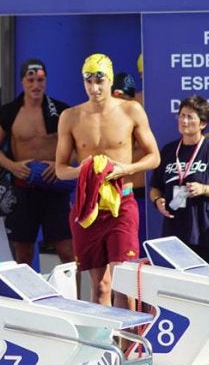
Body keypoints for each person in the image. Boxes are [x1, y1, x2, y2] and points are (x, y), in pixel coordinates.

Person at [55, 54, 160, 308]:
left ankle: (128, 347)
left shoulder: (130, 110)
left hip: (122, 204)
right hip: (88, 208)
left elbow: (154, 157)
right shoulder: (70, 117)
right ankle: (102, 347)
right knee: (100, 286)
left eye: (99, 81)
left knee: (123, 284)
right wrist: (82, 170)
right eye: (88, 81)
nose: (94, 88)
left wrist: (127, 167)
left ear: (110, 80)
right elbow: (60, 170)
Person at [0, 58, 75, 267]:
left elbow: (77, 148)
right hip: (24, 189)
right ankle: (25, 298)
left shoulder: (61, 111)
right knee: (24, 252)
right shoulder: (9, 112)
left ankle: (75, 297)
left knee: (67, 249)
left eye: (41, 80)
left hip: (54, 188)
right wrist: (13, 166)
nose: (36, 85)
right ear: (22, 82)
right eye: (31, 80)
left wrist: (60, 164)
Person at [149, 95, 209, 266]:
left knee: (201, 285)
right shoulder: (168, 150)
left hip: (204, 232)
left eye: (190, 117)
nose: (184, 121)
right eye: (181, 115)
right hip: (174, 232)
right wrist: (158, 200)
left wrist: (204, 189)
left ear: (202, 123)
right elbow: (155, 187)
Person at [112, 72, 148, 249]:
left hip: (136, 195)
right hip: (107, 196)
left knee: (136, 253)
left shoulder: (139, 120)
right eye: (119, 97)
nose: (123, 103)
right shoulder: (97, 121)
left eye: (128, 99)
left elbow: (153, 156)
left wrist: (128, 168)